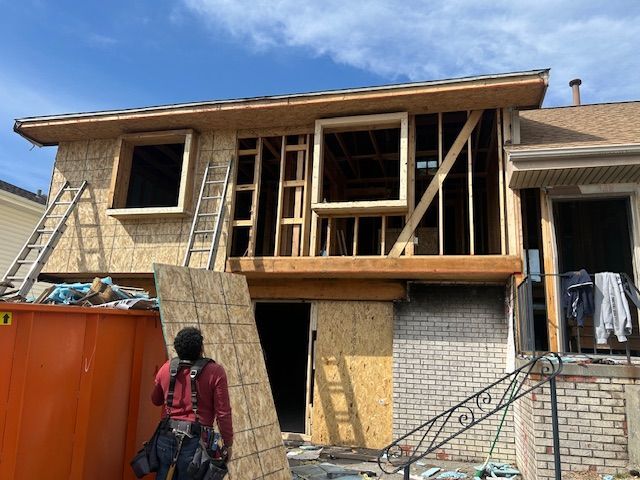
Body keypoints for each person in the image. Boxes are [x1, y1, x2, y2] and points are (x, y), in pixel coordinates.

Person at [151, 327, 233, 480]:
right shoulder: (215, 372)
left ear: (177, 348)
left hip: (166, 436)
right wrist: (228, 443)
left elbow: (155, 400)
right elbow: (223, 413)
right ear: (201, 348)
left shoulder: (166, 368)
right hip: (197, 443)